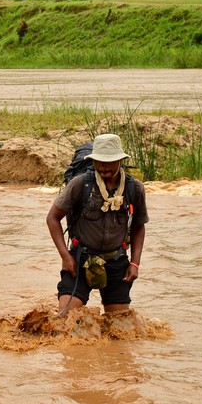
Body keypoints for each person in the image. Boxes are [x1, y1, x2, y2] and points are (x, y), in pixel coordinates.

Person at [46, 133, 148, 316]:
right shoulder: (80, 185)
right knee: (65, 320)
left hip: (117, 262)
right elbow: (52, 218)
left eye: (109, 161)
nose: (103, 166)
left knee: (120, 329)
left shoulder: (134, 189)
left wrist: (135, 263)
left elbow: (139, 225)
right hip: (80, 259)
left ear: (120, 161)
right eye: (99, 161)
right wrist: (65, 257)